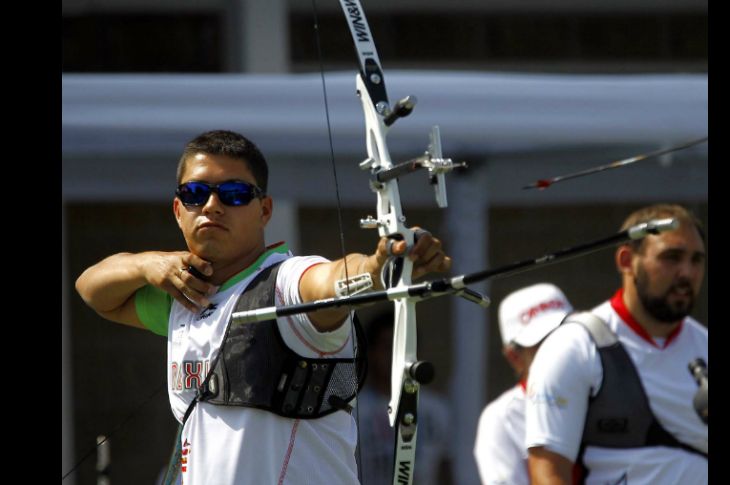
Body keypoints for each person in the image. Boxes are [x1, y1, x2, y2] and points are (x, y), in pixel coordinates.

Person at [75, 130, 452, 485]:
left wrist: (379, 267)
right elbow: (92, 289)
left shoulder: (287, 281)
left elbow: (330, 281)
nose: (212, 205)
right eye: (195, 193)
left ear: (265, 210)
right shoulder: (185, 294)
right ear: (178, 209)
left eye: (235, 193)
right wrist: (146, 264)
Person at [526, 204, 708, 484]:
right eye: (672, 257)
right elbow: (548, 472)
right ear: (626, 261)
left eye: (697, 260)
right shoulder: (574, 346)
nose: (687, 272)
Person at [474, 283, 573, 485]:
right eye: (544, 342)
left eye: (567, 334)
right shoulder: (500, 419)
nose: (561, 348)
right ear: (514, 357)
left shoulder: (610, 391)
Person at [357, 310, 453, 485]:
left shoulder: (436, 409)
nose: (395, 356)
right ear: (371, 352)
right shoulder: (354, 411)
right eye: (387, 347)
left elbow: (446, 469)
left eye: (402, 347)